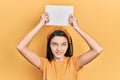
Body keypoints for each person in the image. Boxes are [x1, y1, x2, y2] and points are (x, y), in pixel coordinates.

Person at [16, 12, 103, 80]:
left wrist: (77, 27)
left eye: (63, 44)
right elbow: (21, 47)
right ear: (49, 45)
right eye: (54, 44)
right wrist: (40, 24)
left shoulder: (73, 63)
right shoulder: (44, 64)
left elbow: (97, 49)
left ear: (68, 45)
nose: (59, 49)